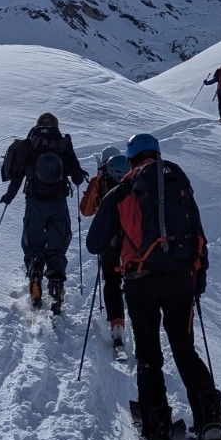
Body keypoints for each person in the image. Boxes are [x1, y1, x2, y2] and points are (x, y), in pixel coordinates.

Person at [85, 132, 221, 440]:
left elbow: (94, 243)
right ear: (157, 154)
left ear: (131, 159)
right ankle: (210, 421)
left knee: (149, 357)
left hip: (140, 282)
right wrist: (197, 282)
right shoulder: (178, 180)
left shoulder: (123, 189)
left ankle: (157, 434)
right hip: (180, 280)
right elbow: (199, 236)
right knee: (184, 350)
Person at [0, 112, 88, 312]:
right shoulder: (63, 142)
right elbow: (77, 178)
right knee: (58, 243)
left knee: (33, 243)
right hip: (58, 201)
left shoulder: (30, 143)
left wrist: (9, 196)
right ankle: (56, 285)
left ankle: (35, 275)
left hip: (34, 201)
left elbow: (19, 175)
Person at [79, 146, 132, 352]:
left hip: (108, 239)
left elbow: (86, 210)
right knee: (134, 277)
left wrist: (95, 181)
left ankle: (117, 324)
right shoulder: (132, 179)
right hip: (131, 239)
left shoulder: (100, 182)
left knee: (111, 279)